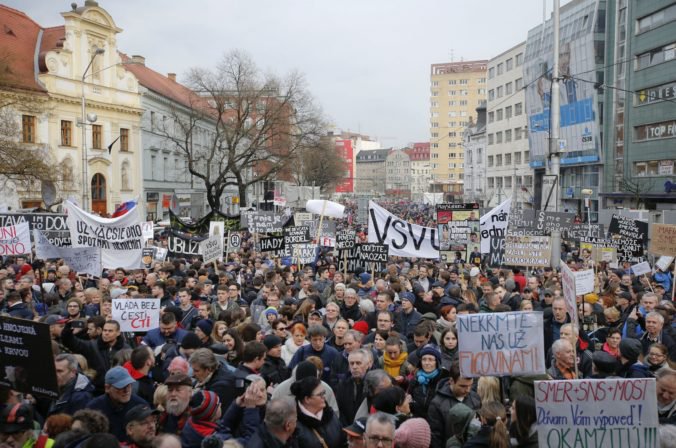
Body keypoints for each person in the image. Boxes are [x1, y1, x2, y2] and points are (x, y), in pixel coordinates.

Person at [61, 319, 130, 392]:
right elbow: (71, 343)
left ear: (118, 333)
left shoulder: (126, 349)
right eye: (105, 330)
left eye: (110, 331)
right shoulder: (92, 346)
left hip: (119, 389)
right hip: (97, 390)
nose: (106, 333)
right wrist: (67, 331)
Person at [85, 366, 148, 443]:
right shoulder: (93, 409)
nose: (126, 390)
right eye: (121, 386)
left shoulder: (141, 406)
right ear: (107, 388)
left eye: (129, 385)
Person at [427, 363, 481, 447]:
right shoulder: (437, 403)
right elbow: (435, 437)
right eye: (463, 386)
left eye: (470, 385)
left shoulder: (475, 398)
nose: (468, 390)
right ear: (451, 381)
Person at [290, 376, 345, 448]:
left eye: (324, 393)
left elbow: (343, 442)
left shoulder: (331, 415)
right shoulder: (294, 424)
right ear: (307, 399)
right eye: (320, 394)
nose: (324, 397)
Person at [407, 345, 448, 420]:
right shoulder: (415, 380)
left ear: (437, 362)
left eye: (430, 360)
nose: (427, 363)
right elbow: (410, 400)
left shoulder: (444, 380)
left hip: (436, 421)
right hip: (418, 421)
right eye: (424, 359)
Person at [189, 348, 235, 413]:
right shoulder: (206, 376)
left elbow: (204, 409)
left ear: (208, 369)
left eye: (196, 371)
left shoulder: (221, 386)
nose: (193, 374)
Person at [336, 349, 372, 426]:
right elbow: (340, 410)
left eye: (358, 363)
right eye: (351, 364)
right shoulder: (343, 384)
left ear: (367, 365)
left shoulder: (374, 384)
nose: (354, 367)